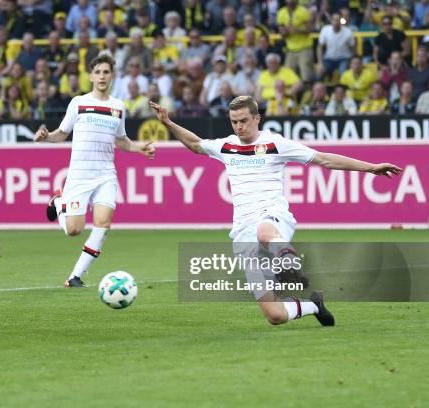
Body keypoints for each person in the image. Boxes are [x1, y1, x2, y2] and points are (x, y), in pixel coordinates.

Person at [149, 96, 401, 327]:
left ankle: (289, 261)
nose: (239, 127)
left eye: (244, 121)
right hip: (242, 233)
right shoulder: (226, 146)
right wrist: (168, 122)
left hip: (272, 217)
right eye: (234, 121)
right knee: (275, 315)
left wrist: (370, 168)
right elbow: (195, 144)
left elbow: (323, 159)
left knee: (264, 232)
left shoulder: (275, 143)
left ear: (257, 118)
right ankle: (314, 304)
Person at [34, 54, 155, 288]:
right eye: (98, 72)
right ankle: (59, 203)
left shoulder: (118, 107)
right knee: (74, 230)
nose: (102, 76)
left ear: (112, 76)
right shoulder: (78, 103)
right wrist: (46, 137)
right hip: (80, 175)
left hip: (105, 175)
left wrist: (140, 148)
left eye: (106, 72)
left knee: (103, 223)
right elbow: (62, 133)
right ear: (91, 76)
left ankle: (75, 277)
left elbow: (121, 141)